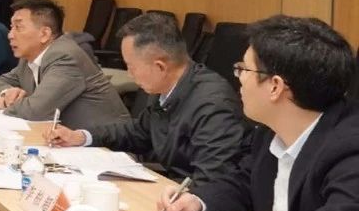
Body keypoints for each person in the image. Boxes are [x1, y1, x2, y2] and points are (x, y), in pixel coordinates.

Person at [158, 15, 359, 211]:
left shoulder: (350, 150)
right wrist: (197, 201)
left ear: (275, 86)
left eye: (244, 69)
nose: (239, 79)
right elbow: (247, 182)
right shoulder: (272, 128)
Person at [48, 12, 248, 183]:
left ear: (160, 66)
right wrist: (82, 137)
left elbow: (213, 181)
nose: (129, 74)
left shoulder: (212, 104)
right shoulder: (165, 86)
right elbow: (139, 132)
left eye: (131, 66)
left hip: (191, 201)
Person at [0, 0, 129, 128]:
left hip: (106, 142)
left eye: (18, 27)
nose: (10, 35)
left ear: (44, 34)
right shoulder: (29, 56)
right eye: (11, 27)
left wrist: (5, 103)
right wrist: (8, 92)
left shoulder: (65, 57)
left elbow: (36, 111)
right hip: (67, 137)